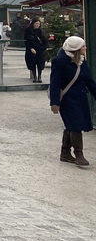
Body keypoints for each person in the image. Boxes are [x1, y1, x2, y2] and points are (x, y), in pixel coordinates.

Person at [50, 36, 96, 168]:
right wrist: (55, 102)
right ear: (76, 48)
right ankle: (79, 154)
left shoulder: (81, 61)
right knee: (75, 125)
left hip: (80, 97)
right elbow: (55, 82)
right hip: (66, 99)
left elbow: (89, 80)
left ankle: (65, 153)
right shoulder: (59, 61)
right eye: (83, 46)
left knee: (71, 124)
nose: (85, 48)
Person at [24, 18, 48, 84]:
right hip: (32, 49)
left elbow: (45, 41)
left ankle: (39, 76)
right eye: (36, 23)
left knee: (40, 63)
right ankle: (35, 76)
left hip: (40, 49)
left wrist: (44, 48)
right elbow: (26, 41)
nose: (37, 25)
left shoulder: (41, 32)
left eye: (39, 24)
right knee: (32, 63)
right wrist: (31, 48)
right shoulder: (28, 31)